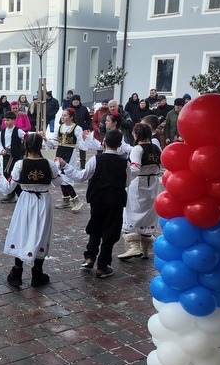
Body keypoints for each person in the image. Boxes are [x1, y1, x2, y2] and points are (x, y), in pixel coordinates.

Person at [0, 133, 62, 287]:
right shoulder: (49, 164)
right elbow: (58, 183)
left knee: (22, 232)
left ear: (26, 146)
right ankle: (37, 272)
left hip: (26, 201)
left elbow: (8, 188)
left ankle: (17, 271)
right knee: (41, 233)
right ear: (40, 145)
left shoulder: (20, 164)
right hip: (43, 201)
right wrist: (58, 166)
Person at [59, 130, 129, 279]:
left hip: (97, 199)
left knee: (95, 227)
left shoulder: (96, 159)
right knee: (110, 232)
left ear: (104, 143)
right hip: (115, 200)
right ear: (119, 145)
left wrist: (65, 166)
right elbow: (127, 181)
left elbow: (81, 176)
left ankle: (89, 257)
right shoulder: (124, 162)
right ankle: (103, 265)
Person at [117, 123, 162, 260]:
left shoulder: (138, 149)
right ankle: (145, 248)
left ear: (136, 135)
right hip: (153, 183)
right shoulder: (156, 147)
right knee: (148, 214)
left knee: (132, 212)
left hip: (139, 184)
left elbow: (135, 169)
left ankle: (134, 247)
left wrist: (123, 175)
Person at [45, 108, 86, 213]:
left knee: (66, 177)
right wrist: (45, 139)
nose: (63, 117)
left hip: (70, 153)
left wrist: (85, 141)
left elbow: (80, 144)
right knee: (59, 175)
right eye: (62, 115)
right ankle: (66, 200)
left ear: (71, 117)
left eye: (65, 115)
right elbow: (54, 142)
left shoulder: (77, 128)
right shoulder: (60, 127)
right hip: (60, 152)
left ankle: (76, 200)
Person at [0, 111, 27, 204]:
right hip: (6, 155)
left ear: (14, 120)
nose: (6, 122)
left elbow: (26, 137)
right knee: (6, 173)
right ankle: (11, 194)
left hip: (15, 156)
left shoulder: (17, 130)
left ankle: (20, 193)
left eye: (8, 120)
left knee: (12, 174)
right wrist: (1, 149)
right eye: (5, 120)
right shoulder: (2, 131)